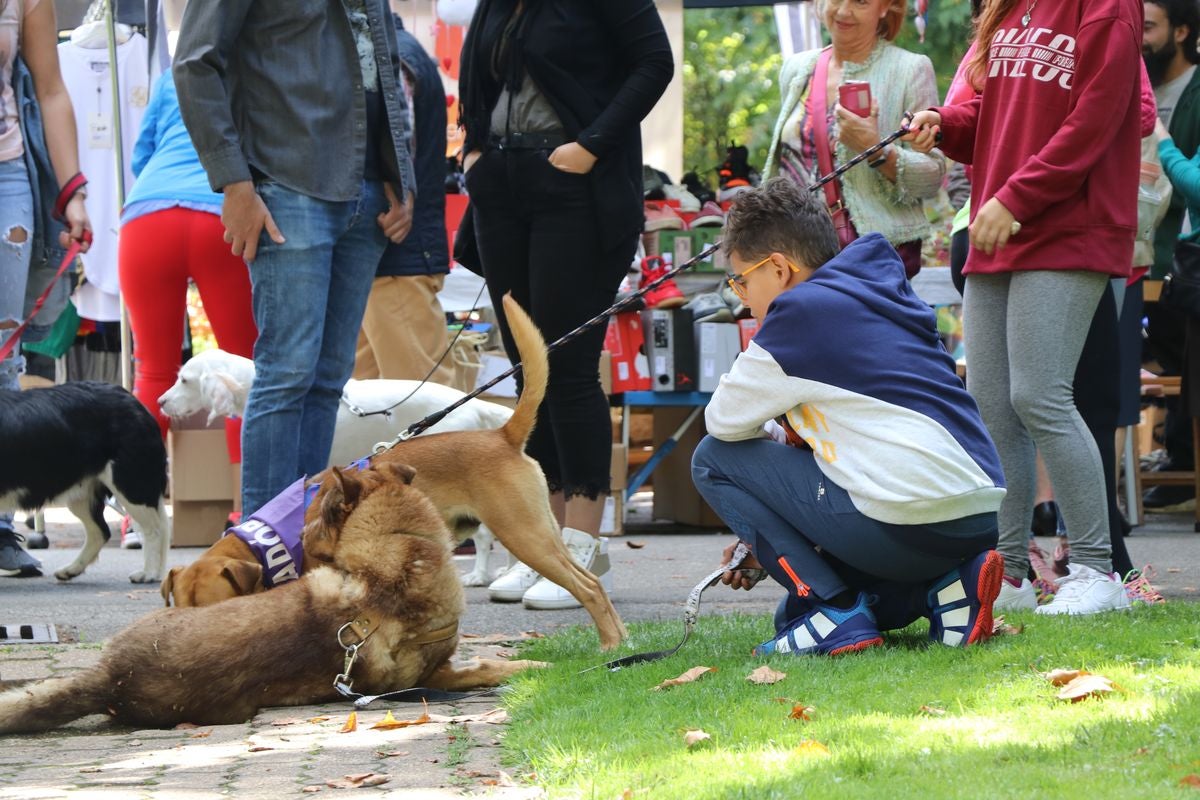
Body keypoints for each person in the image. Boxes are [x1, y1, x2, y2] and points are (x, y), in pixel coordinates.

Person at [690, 178, 1005, 657]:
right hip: (974, 518)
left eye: (742, 280)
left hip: (906, 516)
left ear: (778, 268)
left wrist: (766, 517)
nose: (741, 298)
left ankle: (833, 610)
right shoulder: (877, 290)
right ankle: (949, 588)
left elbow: (724, 422)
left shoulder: (797, 314)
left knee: (712, 458)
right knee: (789, 617)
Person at [904, 0, 1142, 614]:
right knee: (992, 405)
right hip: (998, 222)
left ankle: (1096, 569)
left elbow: (1100, 114)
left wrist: (1016, 197)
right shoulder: (1010, 10)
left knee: (1040, 396)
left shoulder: (1109, 6)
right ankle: (1007, 572)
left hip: (1066, 223)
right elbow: (993, 111)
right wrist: (945, 122)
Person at [457, 0, 672, 610]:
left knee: (568, 367)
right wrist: (475, 150)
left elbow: (654, 63)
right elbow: (479, 73)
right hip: (503, 185)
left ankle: (583, 540)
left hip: (576, 185)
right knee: (530, 371)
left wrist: (592, 145)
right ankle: (547, 542)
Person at [173, 0, 416, 516]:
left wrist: (399, 174)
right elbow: (195, 62)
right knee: (287, 374)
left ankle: (302, 539)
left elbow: (382, 64)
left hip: (367, 190)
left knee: (327, 378)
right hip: (287, 182)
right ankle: (263, 550)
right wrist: (235, 183)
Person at [118, 69, 257, 484]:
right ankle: (247, 510)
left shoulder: (170, 74)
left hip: (148, 214)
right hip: (222, 210)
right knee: (242, 369)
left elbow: (142, 155)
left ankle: (137, 512)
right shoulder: (265, 62)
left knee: (152, 370)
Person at [0, 0, 92, 577]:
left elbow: (51, 90)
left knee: (5, 360)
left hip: (6, 172)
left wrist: (72, 191)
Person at [761, 0, 944, 278]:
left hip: (866, 259)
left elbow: (932, 177)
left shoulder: (910, 69)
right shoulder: (797, 68)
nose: (844, 11)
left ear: (884, 7)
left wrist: (876, 150)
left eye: (860, 2)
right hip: (791, 252)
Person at [353, 14, 454, 386]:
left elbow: (399, 149)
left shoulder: (388, 54)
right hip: (382, 255)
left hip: (396, 252)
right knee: (370, 405)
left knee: (423, 404)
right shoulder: (387, 49)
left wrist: (398, 193)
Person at [1142, 0, 1200, 511]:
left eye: (1149, 27)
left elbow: (1191, 183)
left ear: (1181, 31)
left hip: (1180, 253)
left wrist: (1162, 148)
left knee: (1185, 357)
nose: (1137, 37)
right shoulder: (1134, 84)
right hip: (1139, 251)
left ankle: (1180, 464)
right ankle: (1172, 458)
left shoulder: (1195, 90)